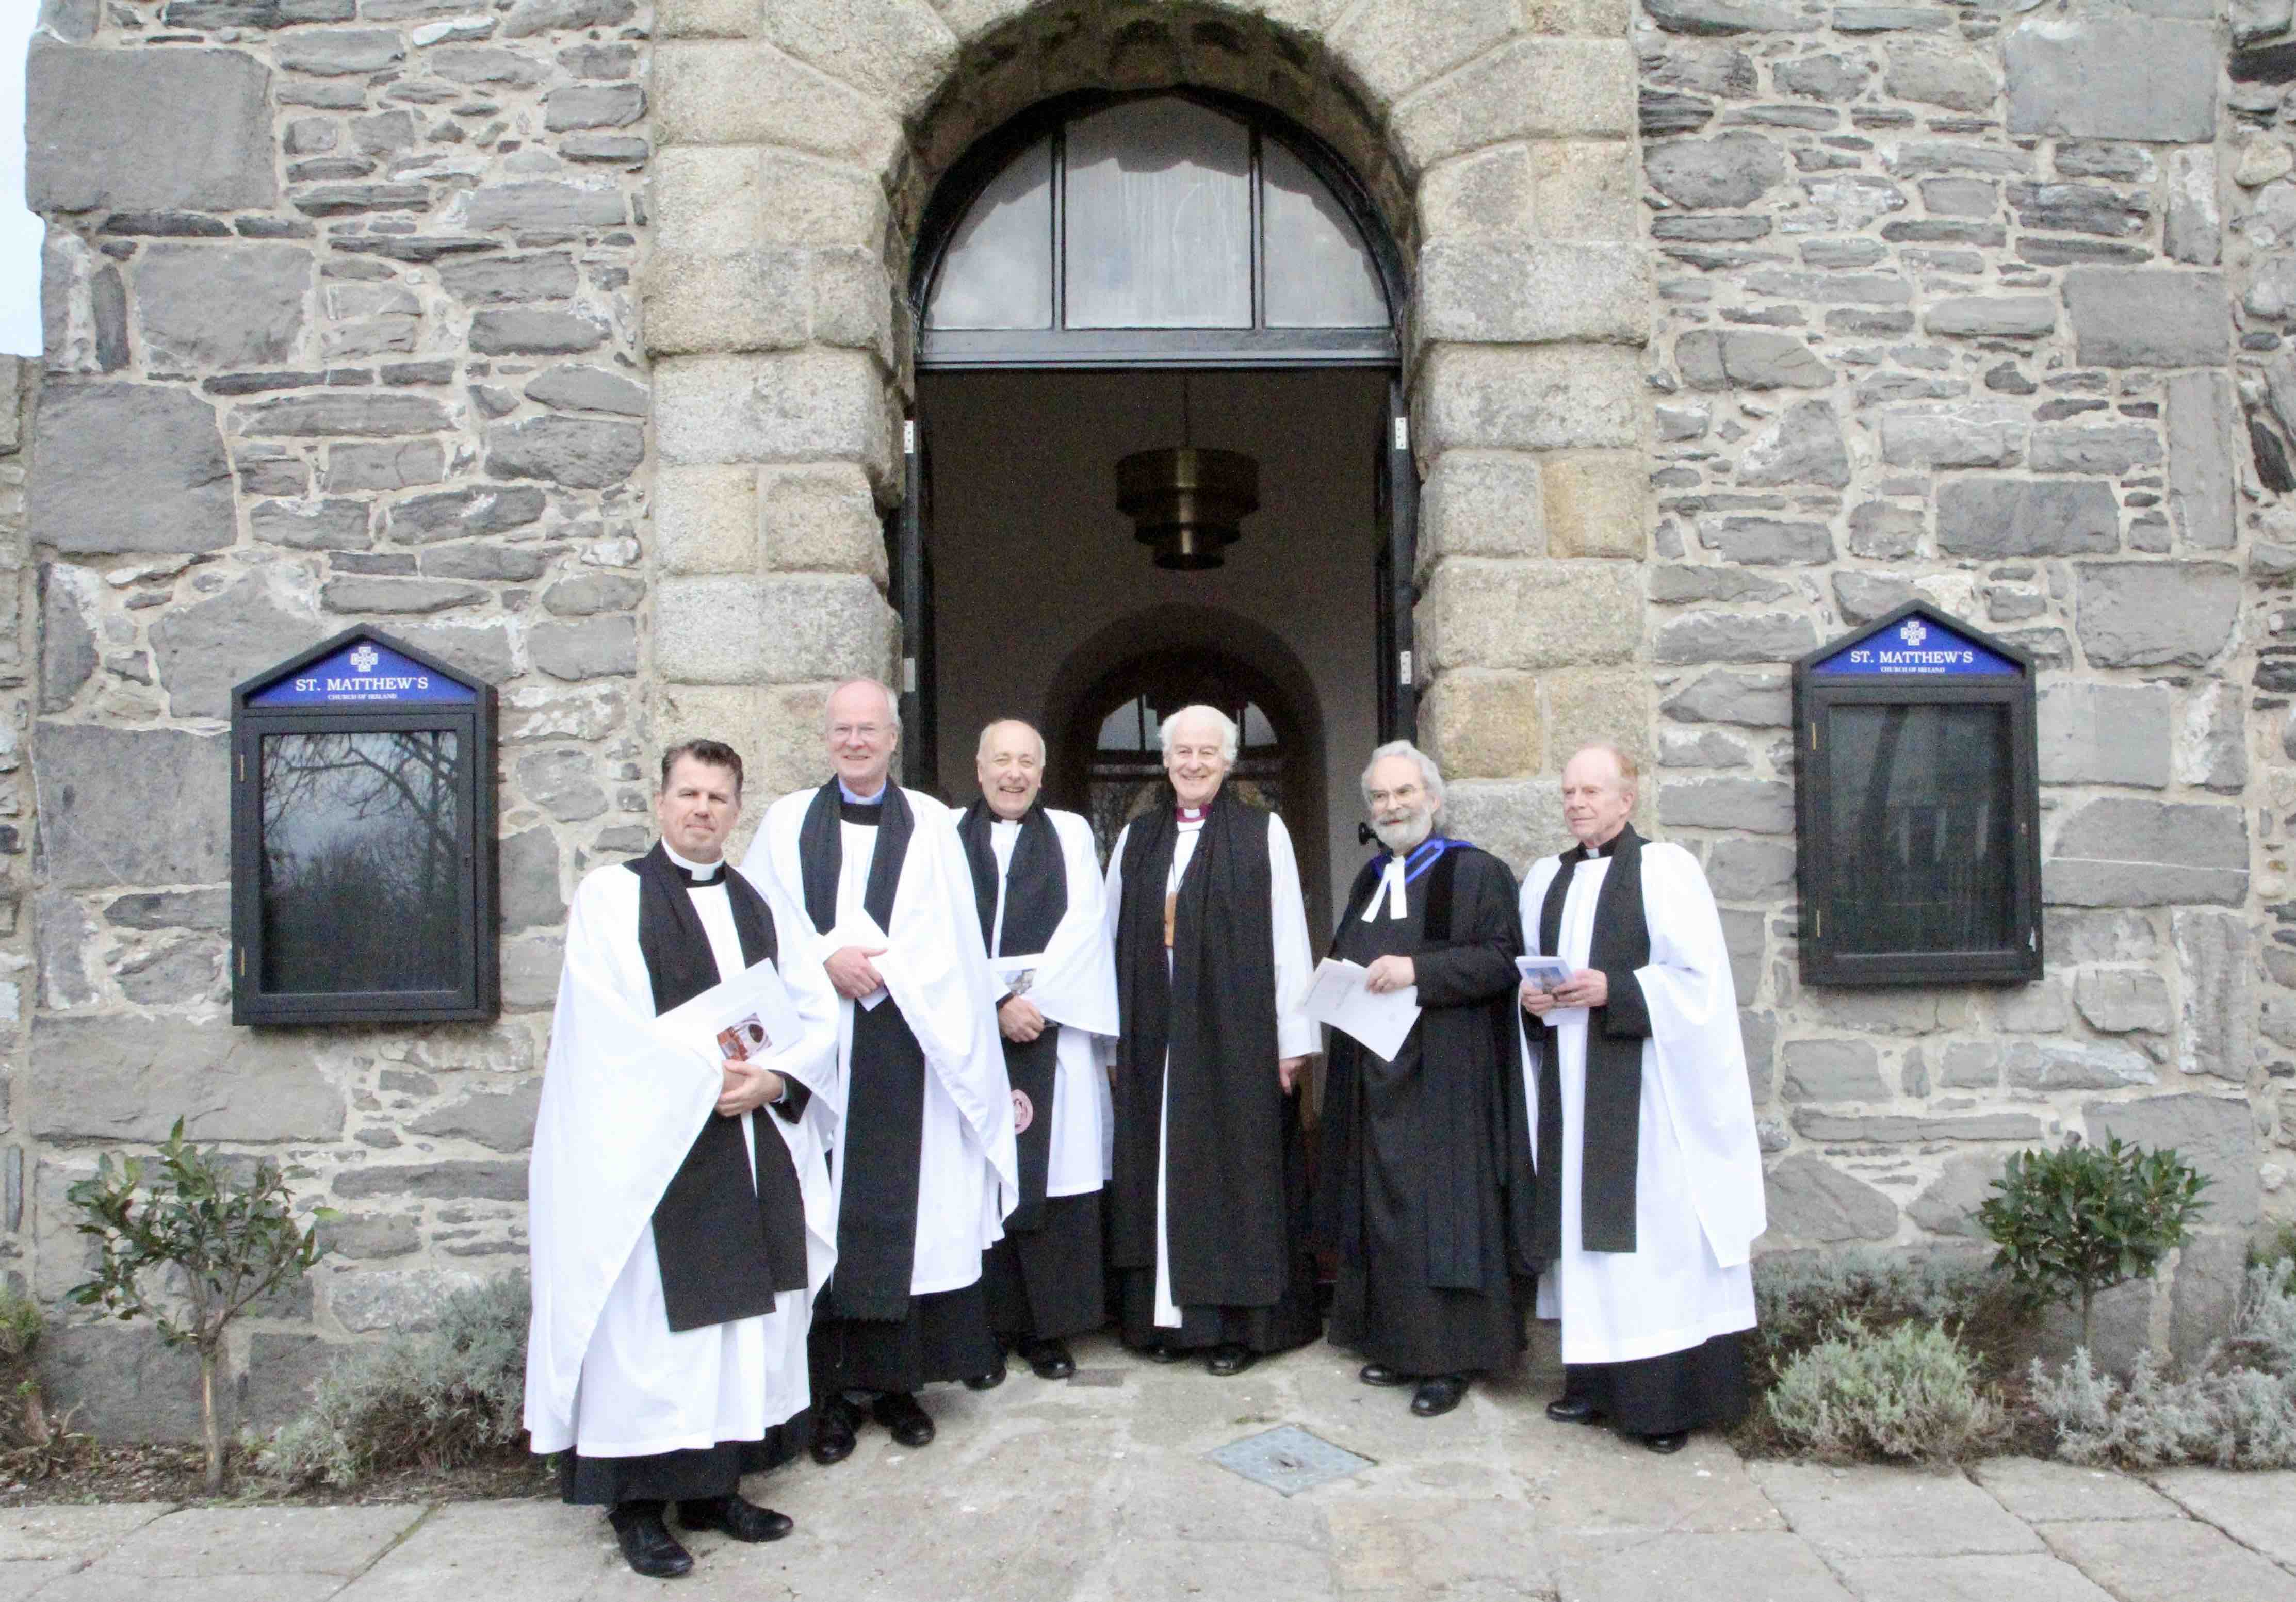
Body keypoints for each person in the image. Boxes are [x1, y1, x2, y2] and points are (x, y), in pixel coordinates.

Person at [526, 740, 841, 1580]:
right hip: (650, 1156)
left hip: (743, 1140)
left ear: (738, 810)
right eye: (689, 793)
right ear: (661, 803)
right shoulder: (612, 896)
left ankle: (714, 1486)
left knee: (741, 1330)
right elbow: (603, 1026)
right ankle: (637, 1504)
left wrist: (776, 1078)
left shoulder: (760, 907)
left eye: (719, 797)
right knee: (653, 1334)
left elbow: (814, 1016)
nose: (703, 809)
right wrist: (702, 1079)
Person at [743, 678, 1016, 1463]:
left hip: (906, 1043)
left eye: (870, 729)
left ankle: (900, 1387)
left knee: (912, 1216)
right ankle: (831, 1397)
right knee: (826, 1213)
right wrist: (825, 956)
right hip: (822, 1052)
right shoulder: (787, 820)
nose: (856, 741)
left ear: (894, 737)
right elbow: (763, 917)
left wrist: (886, 967)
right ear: (826, 736)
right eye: (843, 730)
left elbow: (951, 937)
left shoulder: (931, 822)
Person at [1517, 743, 1767, 1453]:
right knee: (1585, 1244)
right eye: (1568, 791)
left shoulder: (1667, 872)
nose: (1577, 803)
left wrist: (1618, 988)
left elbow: (1700, 985)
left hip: (1649, 1095)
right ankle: (1593, 1385)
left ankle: (1663, 1405)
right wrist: (1534, 999)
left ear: (1628, 799)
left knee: (1653, 1247)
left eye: (1593, 791)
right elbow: (1534, 977)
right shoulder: (1546, 880)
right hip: (1573, 1082)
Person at [1312, 742, 1536, 1418]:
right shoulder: (1369, 877)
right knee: (1385, 1216)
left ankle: (1451, 1360)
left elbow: (1504, 961)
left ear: (1433, 799)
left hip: (1448, 1080)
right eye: (1380, 797)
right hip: (1377, 1080)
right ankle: (1400, 1343)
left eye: (1404, 793)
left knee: (1447, 1220)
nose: (1392, 806)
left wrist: (1418, 972)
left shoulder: (1475, 872)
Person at [1103, 704, 1319, 1376]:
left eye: (1208, 751)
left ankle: (1234, 1326)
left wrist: (1293, 1039)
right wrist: (1113, 1044)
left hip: (1236, 1035)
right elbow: (1106, 944)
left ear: (1229, 761)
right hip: (1154, 1036)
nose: (1194, 762)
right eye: (1182, 752)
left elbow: (1289, 938)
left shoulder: (1264, 833)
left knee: (1233, 1172)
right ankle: (1164, 1320)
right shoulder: (1135, 840)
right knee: (1160, 1171)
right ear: (1165, 762)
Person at [956, 719, 1120, 1383]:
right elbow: (937, 929)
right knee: (978, 1175)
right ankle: (982, 1332)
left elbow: (1087, 924)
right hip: (972, 1031)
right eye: (1002, 760)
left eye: (1026, 761)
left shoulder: (1073, 834)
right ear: (979, 768)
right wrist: (992, 1005)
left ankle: (1047, 1331)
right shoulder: (944, 836)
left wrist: (1036, 1006)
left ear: (1042, 773)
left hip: (1055, 1026)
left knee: (1053, 1176)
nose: (1014, 773)